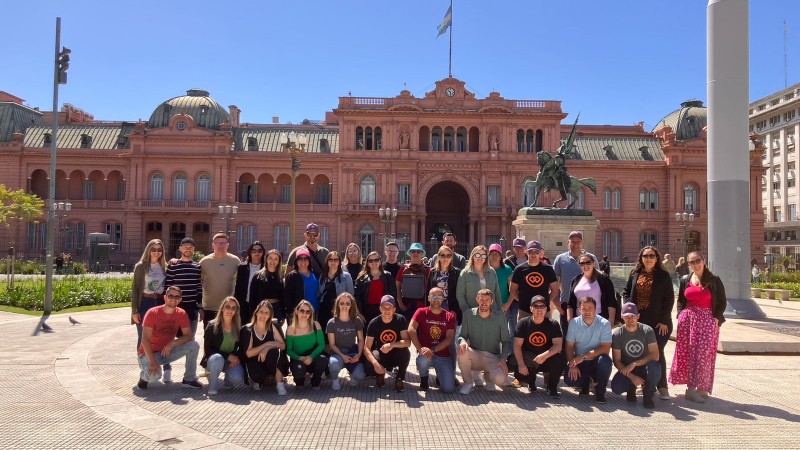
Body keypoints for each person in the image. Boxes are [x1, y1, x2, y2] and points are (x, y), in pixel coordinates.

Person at [669, 251, 727, 403]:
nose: (695, 264)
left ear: (704, 261)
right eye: (692, 262)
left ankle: (701, 387)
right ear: (688, 264)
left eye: (698, 260)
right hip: (688, 321)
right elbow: (681, 299)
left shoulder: (714, 280)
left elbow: (722, 301)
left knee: (704, 355)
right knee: (689, 354)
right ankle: (691, 389)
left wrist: (715, 318)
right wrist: (680, 315)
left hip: (707, 320)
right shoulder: (685, 279)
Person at [622, 246, 674, 400]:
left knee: (657, 353)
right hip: (639, 321)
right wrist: (629, 308)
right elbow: (626, 292)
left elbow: (669, 298)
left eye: (652, 256)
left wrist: (664, 320)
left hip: (659, 322)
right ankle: (645, 384)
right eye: (646, 256)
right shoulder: (635, 273)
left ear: (656, 258)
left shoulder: (663, 275)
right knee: (640, 353)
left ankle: (662, 386)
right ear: (641, 258)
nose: (649, 259)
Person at [136, 286, 202, 390]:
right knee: (154, 377)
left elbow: (189, 335)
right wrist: (153, 363)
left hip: (166, 351)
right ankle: (144, 377)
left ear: (180, 300)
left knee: (193, 345)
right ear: (165, 297)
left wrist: (173, 343)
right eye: (171, 296)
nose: (173, 299)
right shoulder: (152, 313)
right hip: (148, 354)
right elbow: (145, 340)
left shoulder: (181, 313)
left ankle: (189, 379)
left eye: (177, 297)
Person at [508, 295, 566, 399]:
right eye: (536, 306)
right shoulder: (523, 323)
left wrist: (544, 355)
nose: (539, 309)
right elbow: (517, 345)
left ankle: (552, 387)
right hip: (529, 359)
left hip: (546, 358)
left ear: (547, 309)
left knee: (559, 360)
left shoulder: (553, 324)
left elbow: (558, 346)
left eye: (542, 306)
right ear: (531, 308)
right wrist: (521, 365)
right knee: (520, 374)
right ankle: (531, 380)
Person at [457, 289, 511, 395]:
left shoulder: (500, 317)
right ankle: (468, 383)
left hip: (493, 357)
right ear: (477, 300)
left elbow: (506, 341)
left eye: (487, 300)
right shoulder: (468, 314)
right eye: (481, 299)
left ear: (491, 301)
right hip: (475, 355)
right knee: (462, 352)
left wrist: (503, 359)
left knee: (500, 379)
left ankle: (488, 378)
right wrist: (462, 342)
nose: (484, 302)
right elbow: (462, 336)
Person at [611, 303, 661, 409]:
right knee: (616, 387)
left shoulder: (647, 330)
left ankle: (648, 394)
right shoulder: (617, 334)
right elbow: (617, 361)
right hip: (628, 369)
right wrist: (631, 376)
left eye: (633, 316)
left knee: (655, 367)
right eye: (627, 316)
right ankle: (631, 388)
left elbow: (655, 355)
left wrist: (635, 363)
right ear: (622, 316)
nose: (630, 319)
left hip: (644, 367)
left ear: (638, 316)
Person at [564, 296, 612, 404]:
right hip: (580, 361)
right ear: (579, 310)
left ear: (596, 309)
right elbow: (569, 347)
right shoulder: (573, 323)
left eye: (590, 308)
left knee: (606, 361)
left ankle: (600, 391)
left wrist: (583, 356)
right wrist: (573, 364)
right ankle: (585, 382)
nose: (587, 311)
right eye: (584, 308)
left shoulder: (604, 324)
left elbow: (605, 348)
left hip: (596, 360)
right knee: (569, 379)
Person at [409, 287, 457, 393]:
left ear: (443, 299)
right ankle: (424, 379)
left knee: (448, 389)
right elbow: (411, 329)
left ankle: (440, 377)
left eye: (439, 296)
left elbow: (449, 339)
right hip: (425, 353)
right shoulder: (421, 312)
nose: (436, 299)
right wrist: (420, 349)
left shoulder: (450, 317)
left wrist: (433, 350)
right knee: (422, 360)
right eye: (433, 296)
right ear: (429, 298)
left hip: (443, 355)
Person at [239, 300, 289, 395]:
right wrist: (265, 345)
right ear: (256, 312)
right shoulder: (249, 329)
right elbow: (249, 353)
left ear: (270, 315)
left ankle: (279, 383)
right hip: (256, 361)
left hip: (271, 361)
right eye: (261, 311)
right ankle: (265, 380)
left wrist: (268, 347)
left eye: (267, 313)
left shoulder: (273, 325)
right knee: (257, 376)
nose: (263, 315)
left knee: (274, 351)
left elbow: (282, 346)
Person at [364, 295, 411, 392]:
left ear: (394, 309)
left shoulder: (400, 319)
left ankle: (399, 378)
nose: (386, 310)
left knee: (406, 352)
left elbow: (407, 342)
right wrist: (375, 364)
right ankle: (379, 375)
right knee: (372, 356)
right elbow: (366, 348)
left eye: (389, 307)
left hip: (396, 353)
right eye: (384, 307)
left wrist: (392, 344)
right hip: (381, 353)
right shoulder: (373, 323)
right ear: (380, 309)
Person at [553, 231, 596, 334]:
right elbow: (553, 282)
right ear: (568, 242)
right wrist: (555, 302)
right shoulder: (560, 259)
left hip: (587, 304)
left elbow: (597, 280)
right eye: (573, 242)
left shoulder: (591, 258)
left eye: (578, 241)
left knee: (587, 335)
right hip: (566, 302)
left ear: (582, 243)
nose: (575, 244)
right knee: (567, 335)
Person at [201, 297, 245, 396]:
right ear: (222, 308)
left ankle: (228, 381)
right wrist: (227, 356)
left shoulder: (238, 328)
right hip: (213, 360)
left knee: (238, 378)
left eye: (233, 308)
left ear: (236, 311)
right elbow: (208, 350)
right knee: (217, 358)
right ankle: (213, 386)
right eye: (227, 307)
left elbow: (240, 349)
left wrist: (235, 358)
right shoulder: (212, 326)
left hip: (229, 360)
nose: (230, 310)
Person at [509, 240, 558, 322]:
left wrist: (545, 301)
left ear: (540, 253)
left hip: (543, 311)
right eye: (531, 252)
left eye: (536, 252)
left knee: (546, 334)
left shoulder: (548, 269)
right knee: (524, 334)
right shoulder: (519, 269)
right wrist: (522, 300)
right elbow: (512, 289)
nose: (533, 254)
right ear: (526, 252)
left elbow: (555, 289)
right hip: (524, 311)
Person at [131, 239, 167, 350]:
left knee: (160, 335)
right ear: (148, 250)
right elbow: (135, 289)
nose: (157, 252)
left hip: (160, 302)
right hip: (145, 302)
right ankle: (143, 364)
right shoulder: (141, 266)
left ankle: (162, 363)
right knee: (143, 336)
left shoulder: (165, 266)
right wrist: (135, 311)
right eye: (154, 249)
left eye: (159, 250)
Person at [200, 233, 241, 327]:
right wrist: (200, 306)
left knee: (228, 335)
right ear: (213, 245)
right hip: (209, 307)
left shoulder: (235, 261)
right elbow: (198, 283)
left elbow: (241, 282)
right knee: (209, 337)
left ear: (228, 245)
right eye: (217, 243)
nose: (220, 245)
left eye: (223, 243)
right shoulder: (204, 261)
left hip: (229, 308)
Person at [327, 292, 366, 390]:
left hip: (352, 351)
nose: (345, 306)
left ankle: (353, 375)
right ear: (338, 304)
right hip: (338, 352)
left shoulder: (356, 321)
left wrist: (359, 354)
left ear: (351, 305)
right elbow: (332, 344)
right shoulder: (331, 323)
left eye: (348, 303)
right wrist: (342, 356)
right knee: (333, 364)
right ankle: (335, 379)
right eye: (342, 303)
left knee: (360, 375)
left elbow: (361, 340)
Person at [285, 301, 328, 390]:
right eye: (302, 311)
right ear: (296, 312)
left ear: (311, 313)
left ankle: (315, 381)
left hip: (312, 357)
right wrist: (299, 358)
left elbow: (321, 345)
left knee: (323, 360)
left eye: (308, 311)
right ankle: (301, 378)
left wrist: (311, 357)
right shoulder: (290, 329)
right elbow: (288, 350)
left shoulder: (316, 325)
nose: (304, 314)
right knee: (299, 384)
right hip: (298, 359)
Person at [165, 237, 203, 336]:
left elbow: (199, 288)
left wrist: (200, 308)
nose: (188, 249)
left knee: (189, 339)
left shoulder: (197, 267)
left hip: (191, 309)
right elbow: (167, 288)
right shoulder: (173, 266)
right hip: (175, 308)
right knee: (171, 338)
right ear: (180, 249)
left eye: (191, 247)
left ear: (194, 249)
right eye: (185, 247)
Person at [568, 253, 618, 323]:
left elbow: (611, 301)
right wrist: (570, 320)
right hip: (579, 321)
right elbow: (570, 303)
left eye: (588, 262)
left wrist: (611, 321)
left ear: (593, 264)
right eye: (582, 263)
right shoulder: (575, 280)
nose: (585, 265)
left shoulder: (603, 279)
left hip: (599, 321)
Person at [355, 251, 397, 324]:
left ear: (380, 261)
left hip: (384, 310)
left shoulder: (388, 276)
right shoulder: (361, 278)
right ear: (367, 263)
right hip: (366, 312)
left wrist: (392, 310)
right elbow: (357, 297)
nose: (374, 262)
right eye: (371, 260)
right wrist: (359, 313)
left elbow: (393, 295)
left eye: (376, 260)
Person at [457, 245, 502, 313]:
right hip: (472, 313)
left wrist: (499, 310)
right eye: (478, 255)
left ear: (486, 258)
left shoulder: (492, 272)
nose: (480, 258)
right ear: (473, 256)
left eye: (483, 256)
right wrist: (467, 311)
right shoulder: (465, 273)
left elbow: (497, 292)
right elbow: (460, 295)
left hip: (491, 312)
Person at [318, 251, 355, 332]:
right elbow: (320, 292)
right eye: (330, 260)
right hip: (324, 310)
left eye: (336, 260)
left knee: (338, 334)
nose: (333, 262)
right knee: (325, 334)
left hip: (339, 309)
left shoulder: (346, 276)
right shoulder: (322, 276)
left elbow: (351, 295)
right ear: (327, 261)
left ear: (339, 262)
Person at [249, 249, 286, 324]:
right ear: (266, 259)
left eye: (276, 259)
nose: (273, 261)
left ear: (278, 261)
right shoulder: (258, 276)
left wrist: (283, 315)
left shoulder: (280, 277)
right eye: (270, 258)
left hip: (276, 310)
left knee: (275, 334)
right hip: (262, 309)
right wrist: (252, 313)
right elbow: (252, 297)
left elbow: (282, 298)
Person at [396, 243, 431, 321]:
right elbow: (397, 287)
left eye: (418, 251)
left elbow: (430, 289)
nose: (415, 253)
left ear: (422, 254)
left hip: (422, 306)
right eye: (413, 251)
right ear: (410, 253)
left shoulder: (428, 270)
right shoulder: (403, 268)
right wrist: (401, 304)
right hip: (406, 306)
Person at [283, 247, 319, 324]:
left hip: (314, 313)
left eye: (305, 259)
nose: (303, 261)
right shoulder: (292, 276)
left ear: (309, 261)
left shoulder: (315, 274)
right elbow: (287, 297)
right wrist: (292, 314)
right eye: (300, 259)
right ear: (296, 261)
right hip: (299, 314)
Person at [234, 241, 266, 324]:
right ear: (250, 252)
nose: (257, 253)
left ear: (263, 252)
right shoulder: (242, 267)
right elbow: (238, 288)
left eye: (259, 251)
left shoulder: (266, 268)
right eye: (254, 250)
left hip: (260, 306)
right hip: (244, 305)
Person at [489, 244, 515, 338]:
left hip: (502, 306)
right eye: (492, 253)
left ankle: (505, 352)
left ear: (501, 256)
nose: (494, 256)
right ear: (489, 255)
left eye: (497, 254)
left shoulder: (507, 270)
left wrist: (507, 304)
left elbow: (513, 290)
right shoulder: (484, 269)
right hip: (486, 306)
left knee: (502, 332)